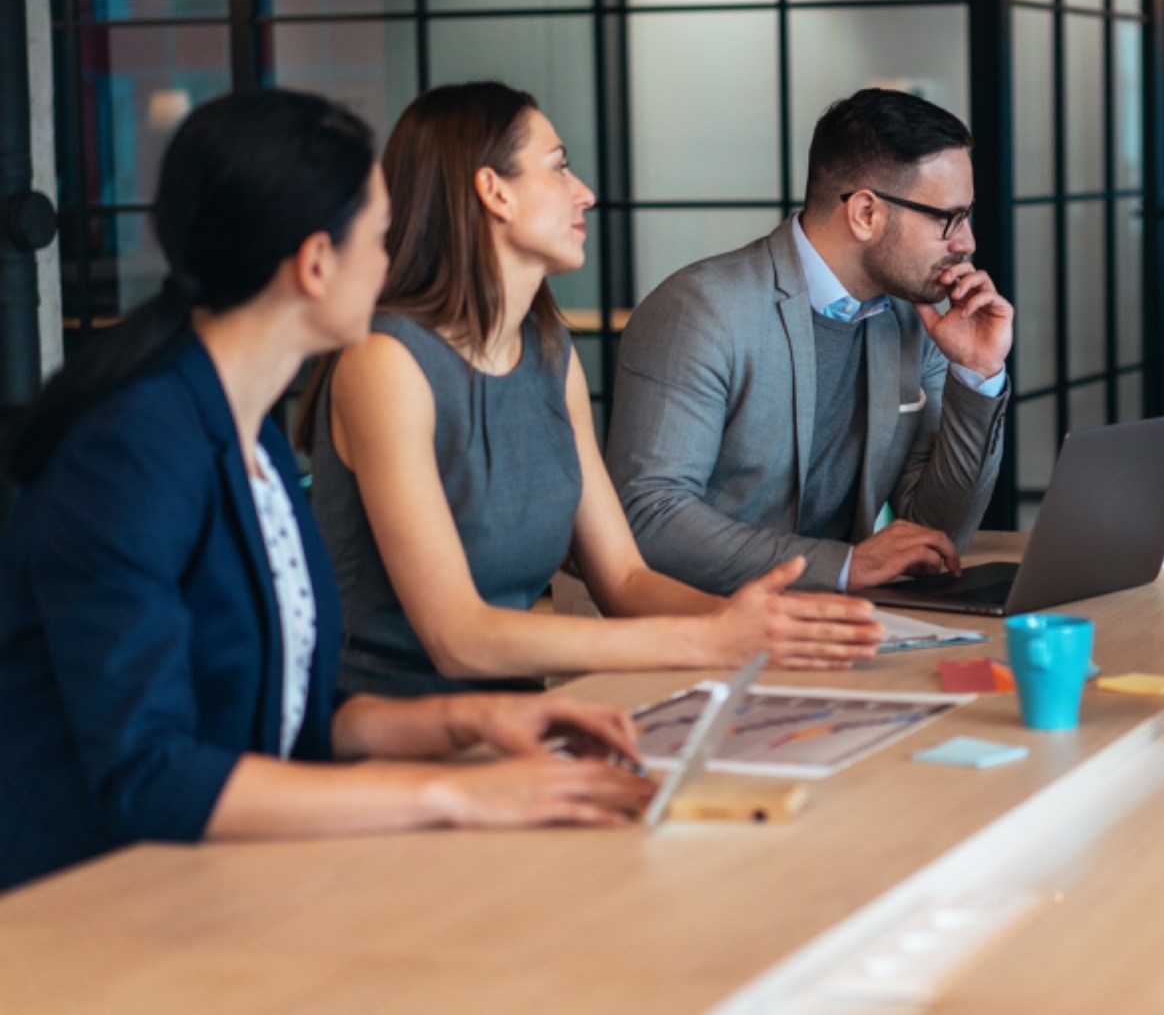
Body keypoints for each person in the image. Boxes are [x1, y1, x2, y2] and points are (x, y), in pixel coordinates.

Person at [0, 91, 654, 892]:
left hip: (231, 880)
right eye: (379, 238)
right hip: (91, 906)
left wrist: (473, 720)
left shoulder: (255, 438)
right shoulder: (130, 454)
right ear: (314, 264)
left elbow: (291, 718)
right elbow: (152, 774)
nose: (394, 262)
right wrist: (453, 792)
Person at [306, 83, 882, 698]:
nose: (585, 193)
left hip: (519, 714)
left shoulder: (551, 353)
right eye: (558, 168)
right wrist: (704, 640)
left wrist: (758, 623)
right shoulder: (385, 361)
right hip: (384, 727)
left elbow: (626, 578)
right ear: (494, 191)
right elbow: (457, 636)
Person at [606, 88, 1012, 596]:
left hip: (831, 624)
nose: (967, 242)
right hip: (697, 623)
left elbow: (937, 533)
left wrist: (977, 372)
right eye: (947, 219)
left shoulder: (914, 321)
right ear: (865, 213)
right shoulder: (701, 311)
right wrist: (843, 567)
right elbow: (649, 517)